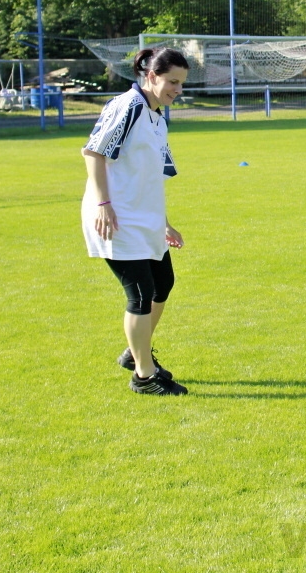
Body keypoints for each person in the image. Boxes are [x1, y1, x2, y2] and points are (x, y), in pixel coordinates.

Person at [82, 48, 190, 395]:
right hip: (116, 218)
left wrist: (164, 222)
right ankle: (144, 375)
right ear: (152, 76)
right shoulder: (127, 106)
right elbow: (94, 152)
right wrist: (103, 204)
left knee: (163, 284)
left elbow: (150, 176)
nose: (178, 89)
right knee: (141, 294)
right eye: (172, 81)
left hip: (145, 219)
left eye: (182, 83)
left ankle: (136, 351)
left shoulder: (157, 117)